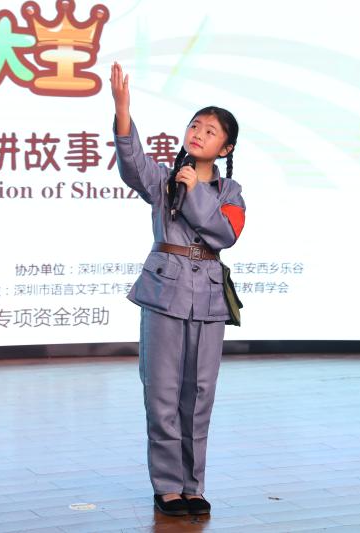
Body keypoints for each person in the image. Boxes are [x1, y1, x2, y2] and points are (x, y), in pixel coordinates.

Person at [109, 61, 246, 516]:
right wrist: (123, 111)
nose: (198, 133)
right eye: (195, 125)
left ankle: (193, 485)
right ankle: (168, 486)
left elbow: (225, 234)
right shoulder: (163, 179)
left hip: (208, 300)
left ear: (225, 147)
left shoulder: (230, 192)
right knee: (162, 391)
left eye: (210, 131)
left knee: (199, 394)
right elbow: (132, 164)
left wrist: (196, 192)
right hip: (163, 293)